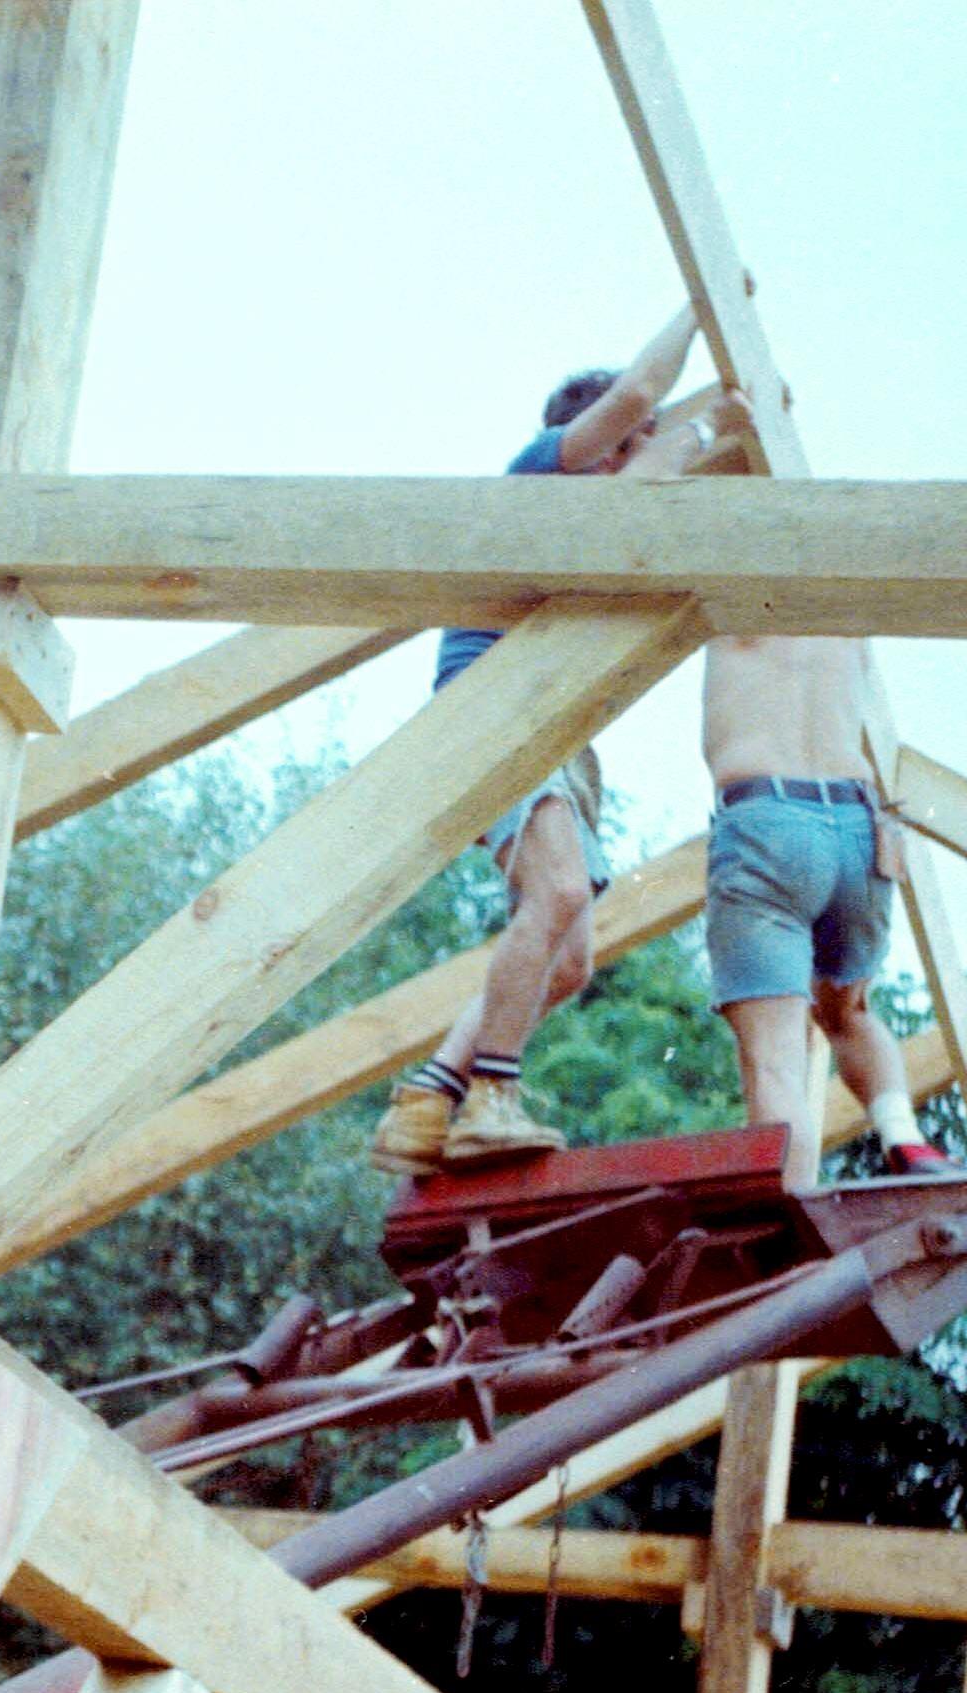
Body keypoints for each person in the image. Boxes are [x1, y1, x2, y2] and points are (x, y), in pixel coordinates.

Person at [371, 304, 713, 1173]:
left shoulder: (595, 534)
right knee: (556, 892)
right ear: (586, 440)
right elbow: (643, 392)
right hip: (493, 707)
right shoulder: (536, 474)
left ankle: (429, 1097)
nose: (629, 458)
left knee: (570, 958)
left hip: (544, 724)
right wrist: (702, 368)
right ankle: (491, 1096)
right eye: (621, 443)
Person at [690, 401, 954, 1188]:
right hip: (856, 829)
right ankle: (903, 1134)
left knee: (773, 1057)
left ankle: (790, 1211)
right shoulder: (845, 613)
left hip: (769, 822)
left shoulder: (734, 596)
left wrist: (720, 435)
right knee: (846, 1012)